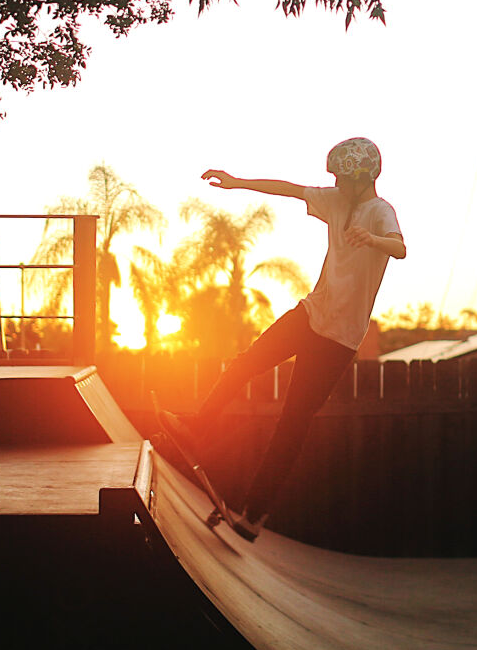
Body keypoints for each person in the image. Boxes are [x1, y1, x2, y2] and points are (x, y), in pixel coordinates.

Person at [165, 138, 405, 541]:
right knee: (246, 362)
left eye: (344, 180)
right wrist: (237, 182)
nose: (337, 187)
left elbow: (400, 248)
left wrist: (373, 240)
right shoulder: (336, 201)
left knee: (292, 423)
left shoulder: (381, 211)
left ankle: (254, 514)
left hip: (340, 339)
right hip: (311, 314)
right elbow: (289, 189)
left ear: (363, 177)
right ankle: (196, 427)